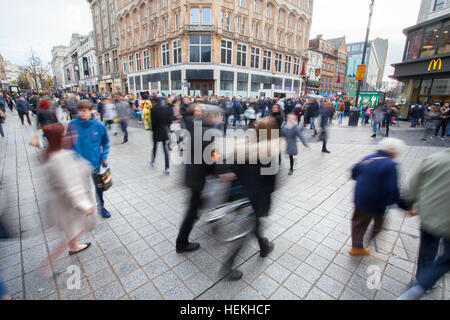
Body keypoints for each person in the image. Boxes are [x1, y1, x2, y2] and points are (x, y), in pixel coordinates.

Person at [40, 122, 98, 276]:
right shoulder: (61, 158)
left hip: (58, 202)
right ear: (59, 137)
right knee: (81, 227)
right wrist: (85, 205)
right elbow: (70, 186)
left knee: (71, 229)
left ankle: (73, 247)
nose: (72, 135)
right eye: (67, 133)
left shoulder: (48, 153)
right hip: (68, 204)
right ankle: (49, 262)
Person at [397, 149, 450, 300]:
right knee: (445, 260)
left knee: (428, 249)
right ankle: (423, 284)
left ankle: (421, 279)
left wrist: (407, 204)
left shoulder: (434, 159)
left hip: (430, 216)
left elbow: (413, 187)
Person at [349, 138, 408, 256]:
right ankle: (361, 245)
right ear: (393, 152)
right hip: (376, 202)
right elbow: (392, 189)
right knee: (378, 223)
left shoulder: (368, 157)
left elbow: (354, 171)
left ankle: (356, 245)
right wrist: (403, 205)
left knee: (358, 221)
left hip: (360, 197)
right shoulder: (390, 165)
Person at [68, 100, 111, 219]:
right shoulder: (72, 125)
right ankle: (89, 211)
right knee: (85, 190)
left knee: (99, 188)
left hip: (95, 163)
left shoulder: (99, 125)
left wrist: (104, 156)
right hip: (80, 165)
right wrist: (73, 157)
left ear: (91, 110)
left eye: (84, 111)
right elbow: (68, 144)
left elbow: (106, 142)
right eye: (79, 111)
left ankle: (101, 207)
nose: (81, 113)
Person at [149, 96, 171, 175]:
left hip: (157, 131)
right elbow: (169, 120)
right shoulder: (165, 108)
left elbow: (153, 123)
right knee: (165, 150)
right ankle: (167, 168)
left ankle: (152, 161)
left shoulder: (153, 109)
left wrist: (153, 129)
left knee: (155, 147)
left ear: (154, 101)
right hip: (164, 131)